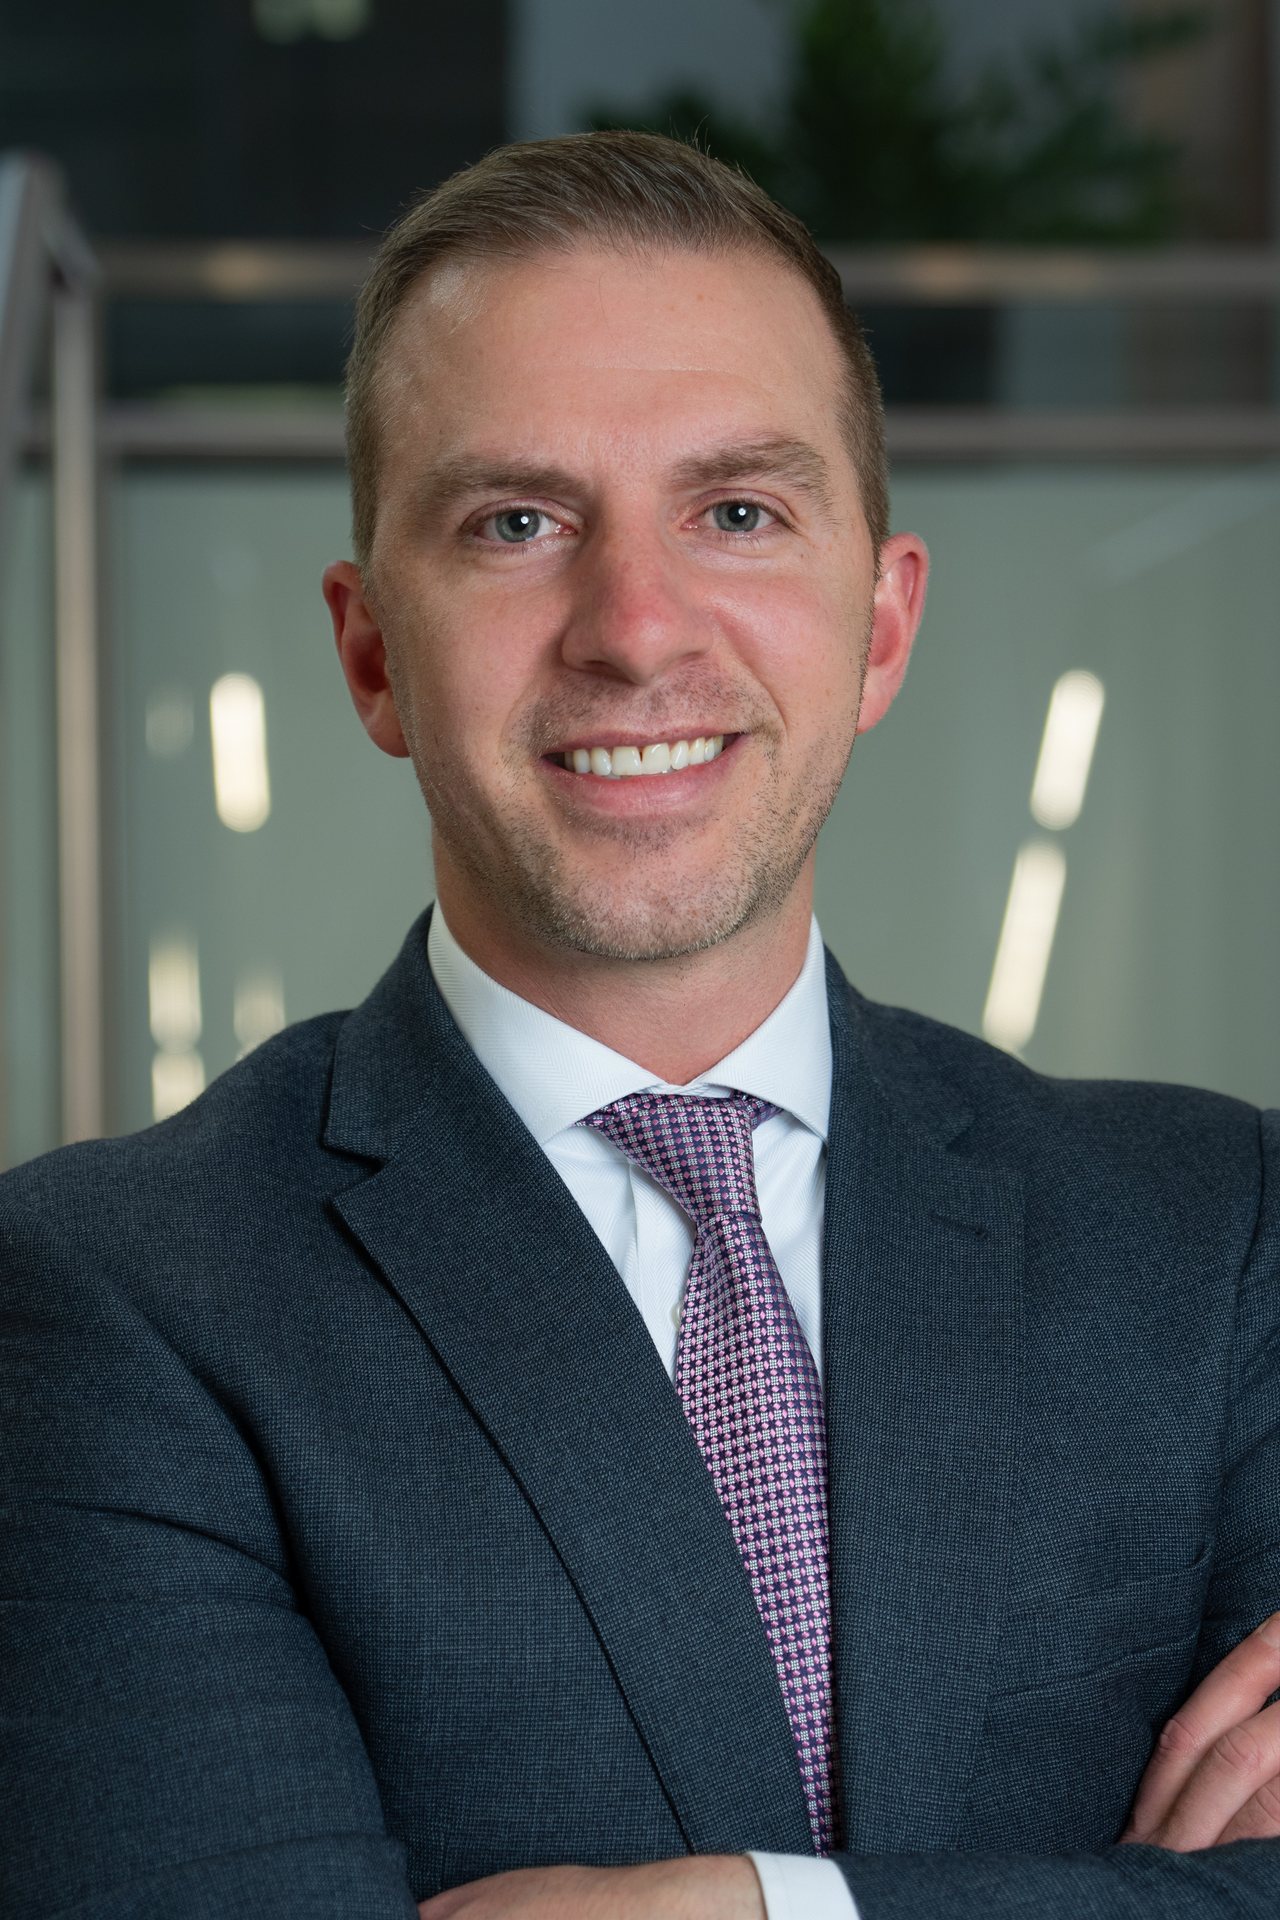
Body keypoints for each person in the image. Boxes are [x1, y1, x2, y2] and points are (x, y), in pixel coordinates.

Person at [2, 130, 1278, 1920]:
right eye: (517, 523)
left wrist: (770, 1909)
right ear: (372, 657)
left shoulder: (1215, 1231)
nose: (636, 627)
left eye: (737, 511)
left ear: (883, 627)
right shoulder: (107, 1298)